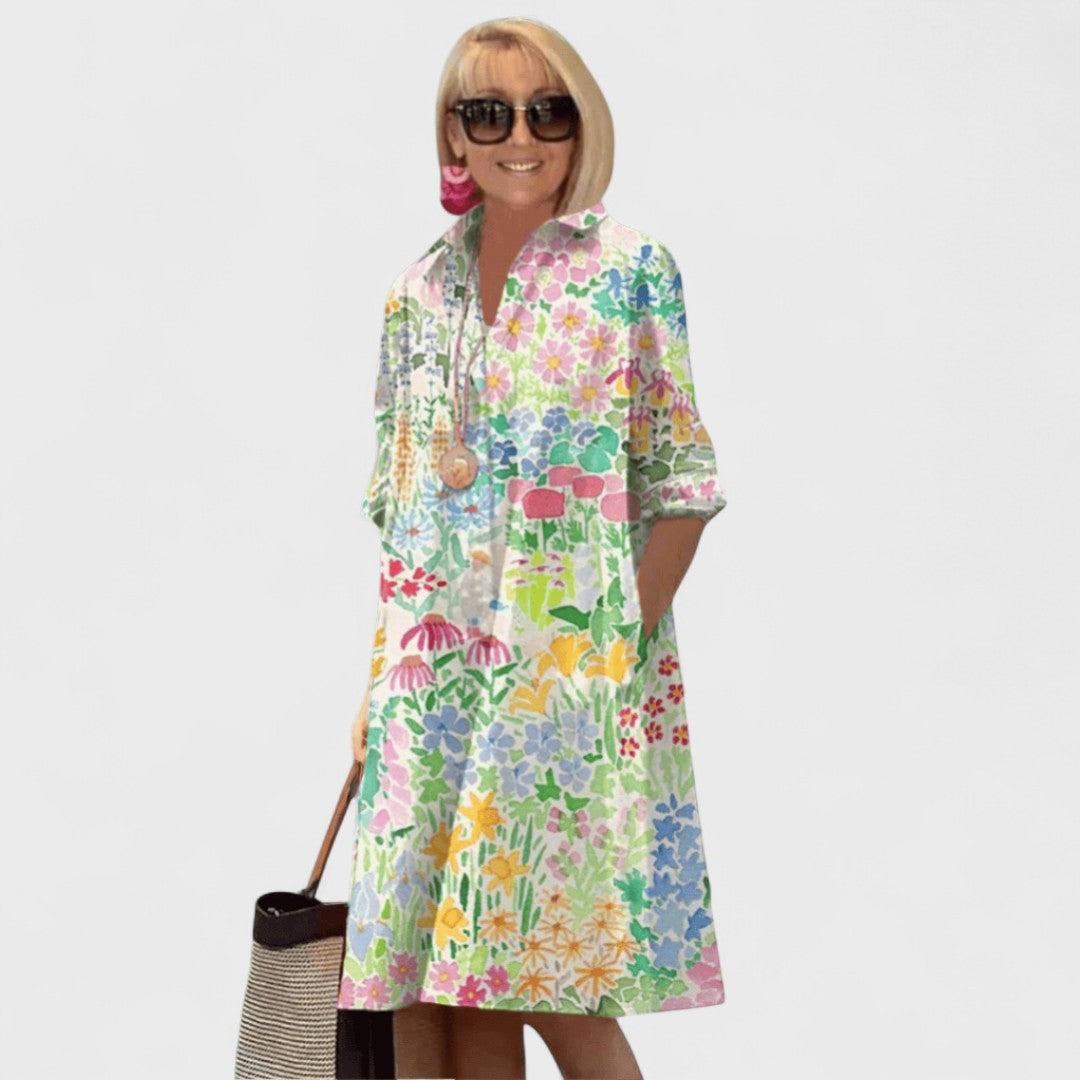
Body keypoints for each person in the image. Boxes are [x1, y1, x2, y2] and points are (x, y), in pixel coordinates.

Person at [338, 17, 728, 1079]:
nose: (521, 136)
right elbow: (402, 512)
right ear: (452, 134)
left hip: (566, 691)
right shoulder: (416, 293)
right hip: (430, 690)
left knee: (547, 980)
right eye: (490, 112)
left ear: (580, 125)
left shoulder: (629, 272)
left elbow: (681, 485)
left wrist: (610, 653)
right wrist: (377, 693)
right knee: (446, 993)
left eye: (547, 111)